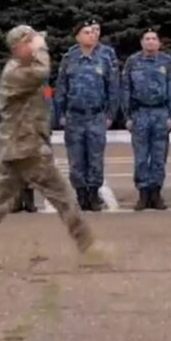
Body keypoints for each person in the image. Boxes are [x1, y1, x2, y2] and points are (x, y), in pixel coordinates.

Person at [0, 25, 110, 270]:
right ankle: (88, 246)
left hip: (18, 147)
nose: (38, 45)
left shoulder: (21, 68)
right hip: (27, 147)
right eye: (32, 42)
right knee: (63, 196)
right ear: (20, 46)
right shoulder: (16, 71)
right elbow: (42, 72)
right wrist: (42, 48)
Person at [54, 19, 119, 211]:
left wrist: (110, 115)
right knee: (76, 159)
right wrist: (61, 114)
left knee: (95, 157)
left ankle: (93, 194)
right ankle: (81, 194)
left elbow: (113, 88)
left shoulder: (105, 58)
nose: (91, 35)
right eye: (87, 32)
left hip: (97, 116)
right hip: (74, 116)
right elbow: (61, 88)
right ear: (78, 36)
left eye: (93, 32)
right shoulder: (69, 58)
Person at [122, 29, 171, 211]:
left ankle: (156, 193)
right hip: (140, 113)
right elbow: (126, 90)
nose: (151, 42)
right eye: (147, 39)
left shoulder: (166, 61)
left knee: (159, 157)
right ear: (141, 42)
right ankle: (143, 194)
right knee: (141, 157)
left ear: (159, 43)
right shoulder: (133, 62)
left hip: (161, 114)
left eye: (154, 39)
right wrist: (127, 116)